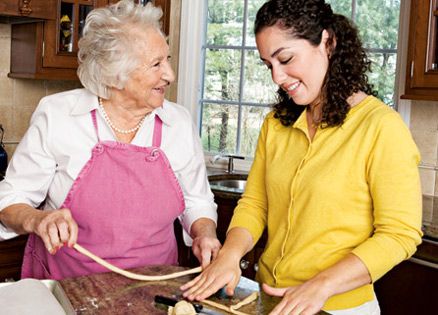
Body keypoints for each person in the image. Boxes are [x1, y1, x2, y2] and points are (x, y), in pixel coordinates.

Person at [181, 0, 423, 314]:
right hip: (268, 300)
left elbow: (399, 234)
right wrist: (229, 255)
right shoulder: (277, 124)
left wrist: (321, 285)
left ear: (328, 41)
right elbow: (255, 203)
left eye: (285, 59)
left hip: (339, 307)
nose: (277, 77)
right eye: (269, 65)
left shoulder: (381, 127)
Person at [0, 0, 220, 280]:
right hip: (67, 283)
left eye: (168, 60)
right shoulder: (58, 115)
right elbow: (11, 199)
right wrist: (37, 219)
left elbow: (196, 201)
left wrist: (205, 234)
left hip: (152, 286)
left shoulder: (178, 122)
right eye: (156, 64)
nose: (170, 75)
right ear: (115, 74)